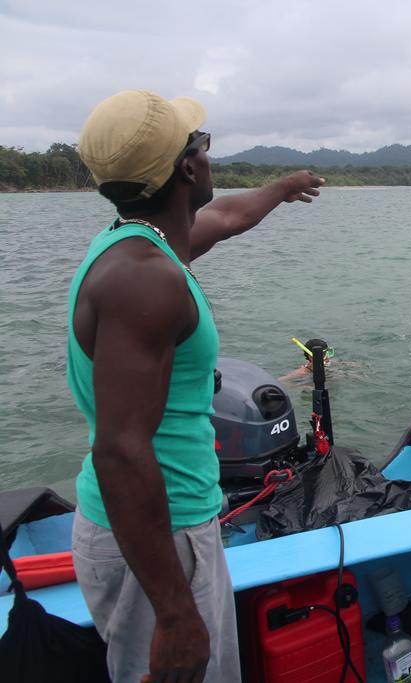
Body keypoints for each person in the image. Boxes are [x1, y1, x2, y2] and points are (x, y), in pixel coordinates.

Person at [68, 89, 325, 682]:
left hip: (167, 527)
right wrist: (176, 614)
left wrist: (283, 189)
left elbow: (227, 218)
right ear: (188, 167)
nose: (209, 154)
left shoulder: (141, 244)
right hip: (160, 538)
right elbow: (120, 451)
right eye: (203, 144)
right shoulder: (144, 281)